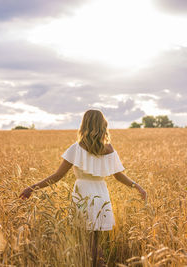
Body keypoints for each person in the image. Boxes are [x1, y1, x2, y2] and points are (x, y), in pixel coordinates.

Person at [19, 109, 147, 266]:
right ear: (102, 125)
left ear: (84, 124)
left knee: (85, 242)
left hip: (82, 195)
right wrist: (137, 186)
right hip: (101, 196)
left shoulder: (76, 148)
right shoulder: (109, 149)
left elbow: (57, 176)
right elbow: (119, 176)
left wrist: (32, 188)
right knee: (94, 241)